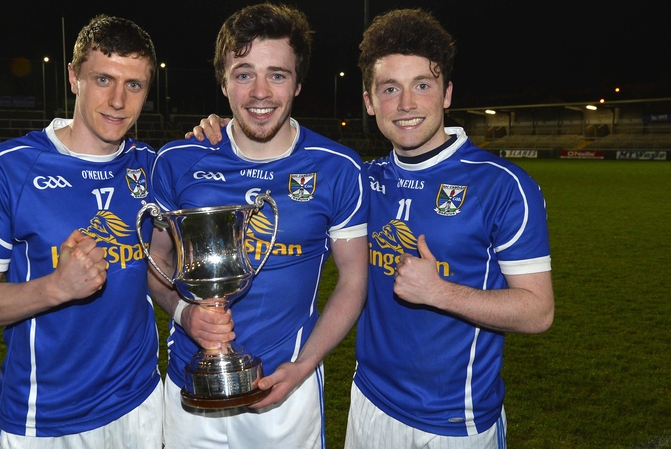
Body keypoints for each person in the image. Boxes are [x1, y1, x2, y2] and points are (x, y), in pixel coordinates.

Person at [146, 3, 368, 448]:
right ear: (223, 82)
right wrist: (186, 314)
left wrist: (304, 367)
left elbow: (354, 280)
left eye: (277, 75)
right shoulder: (178, 160)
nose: (260, 92)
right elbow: (158, 261)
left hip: (286, 393)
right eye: (244, 73)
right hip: (190, 387)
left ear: (298, 83)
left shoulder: (338, 167)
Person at [346, 8, 555, 448]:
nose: (405, 104)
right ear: (369, 102)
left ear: (446, 93)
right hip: (368, 403)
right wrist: (222, 133)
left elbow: (538, 312)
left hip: (452, 423)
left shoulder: (502, 186)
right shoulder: (363, 181)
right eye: (389, 89)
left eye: (422, 85)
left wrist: (440, 292)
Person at [0, 15, 163, 448]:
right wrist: (57, 287)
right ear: (74, 78)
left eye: (134, 85)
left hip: (142, 404)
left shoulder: (152, 166)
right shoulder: (8, 167)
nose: (117, 100)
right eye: (103, 78)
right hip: (44, 419)